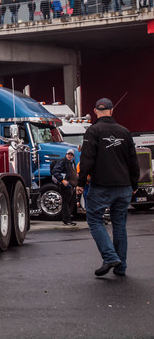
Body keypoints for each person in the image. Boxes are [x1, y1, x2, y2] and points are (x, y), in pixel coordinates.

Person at [76, 98, 139, 277]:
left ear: (95, 111)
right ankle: (121, 266)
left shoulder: (93, 131)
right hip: (124, 186)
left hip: (102, 186)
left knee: (95, 220)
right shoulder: (125, 132)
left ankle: (110, 257)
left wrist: (80, 183)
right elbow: (133, 161)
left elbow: (87, 160)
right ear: (111, 111)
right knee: (119, 225)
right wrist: (134, 184)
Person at [52, 148, 78, 226]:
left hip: (72, 186)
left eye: (71, 154)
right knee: (66, 203)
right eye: (68, 154)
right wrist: (63, 180)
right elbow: (55, 171)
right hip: (66, 186)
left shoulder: (72, 163)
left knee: (71, 202)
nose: (69, 155)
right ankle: (66, 220)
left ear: (73, 156)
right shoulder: (63, 161)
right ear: (66, 154)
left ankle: (68, 218)